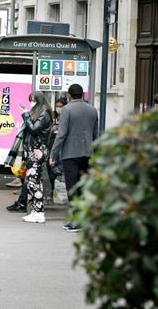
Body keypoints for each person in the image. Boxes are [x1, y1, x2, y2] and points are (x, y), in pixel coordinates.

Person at [49, 84, 98, 232]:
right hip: (88, 153)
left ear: (69, 95)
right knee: (84, 188)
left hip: (70, 154)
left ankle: (76, 221)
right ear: (82, 94)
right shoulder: (93, 110)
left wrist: (53, 154)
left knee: (72, 188)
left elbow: (62, 134)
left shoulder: (67, 109)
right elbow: (96, 135)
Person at [17, 91, 53, 224]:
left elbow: (33, 129)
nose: (31, 103)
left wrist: (25, 114)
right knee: (34, 181)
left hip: (37, 151)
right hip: (33, 150)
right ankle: (35, 211)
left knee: (33, 182)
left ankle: (39, 212)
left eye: (33, 100)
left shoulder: (44, 114)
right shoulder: (41, 113)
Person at [47, 97, 68, 200]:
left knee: (61, 168)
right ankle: (52, 189)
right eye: (57, 106)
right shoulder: (53, 116)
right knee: (51, 168)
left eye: (61, 106)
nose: (58, 108)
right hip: (51, 144)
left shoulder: (67, 115)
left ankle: (61, 192)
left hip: (62, 145)